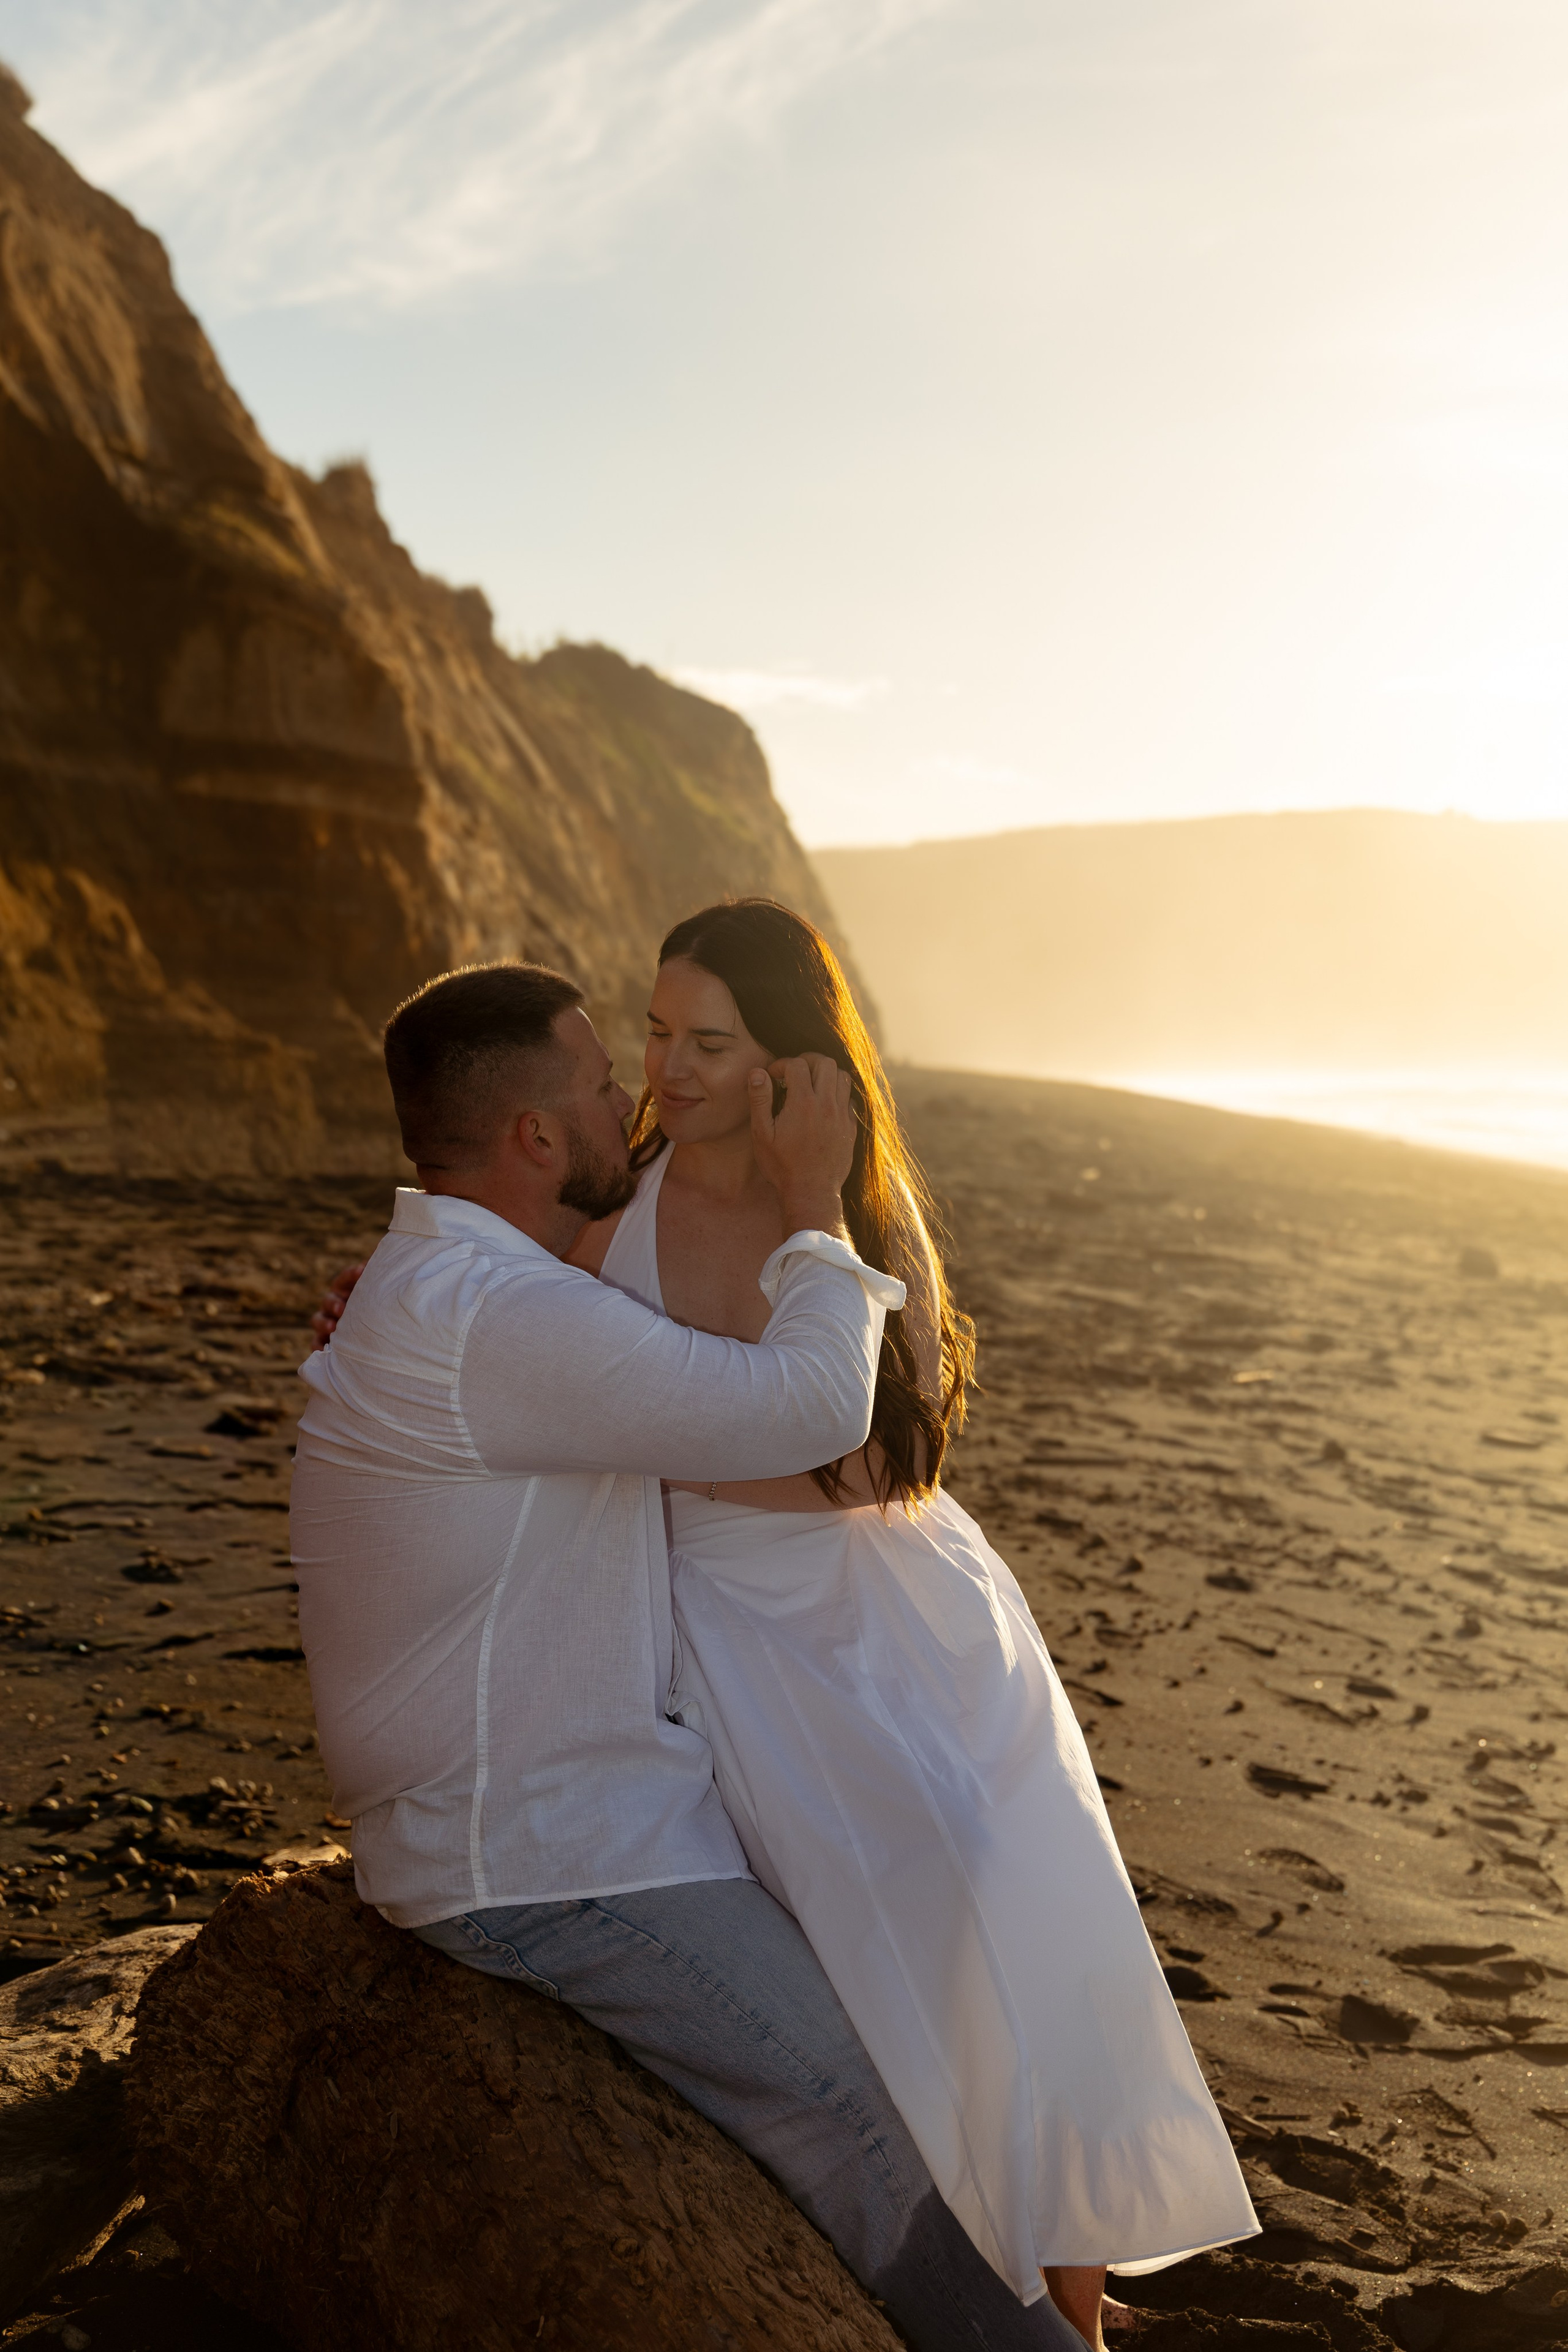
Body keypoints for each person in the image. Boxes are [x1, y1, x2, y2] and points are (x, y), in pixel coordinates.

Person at [292, 959, 1090, 2352]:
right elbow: (801, 1409)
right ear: (538, 1137)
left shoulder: (455, 1283)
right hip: (546, 1852)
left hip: (559, 1803)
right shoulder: (494, 1314)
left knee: (922, 1954)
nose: (631, 1096)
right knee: (860, 2113)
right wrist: (807, 1209)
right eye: (603, 1078)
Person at [567, 901, 1259, 2347]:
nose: (673, 1067)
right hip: (725, 1626)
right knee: (891, 1952)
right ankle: (989, 2278)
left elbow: (873, 1465)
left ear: (791, 1067)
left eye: (712, 1042)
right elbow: (485, 1311)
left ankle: (1069, 2299)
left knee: (1011, 1917)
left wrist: (804, 1218)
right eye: (655, 1032)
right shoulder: (611, 1199)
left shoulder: (852, 1207)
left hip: (894, 1615)